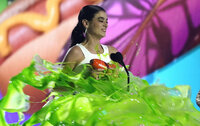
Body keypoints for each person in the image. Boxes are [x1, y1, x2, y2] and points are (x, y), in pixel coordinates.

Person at [62, 5, 118, 77]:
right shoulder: (77, 52)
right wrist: (83, 77)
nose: (105, 25)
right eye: (101, 21)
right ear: (86, 23)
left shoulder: (113, 52)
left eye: (106, 21)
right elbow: (58, 86)